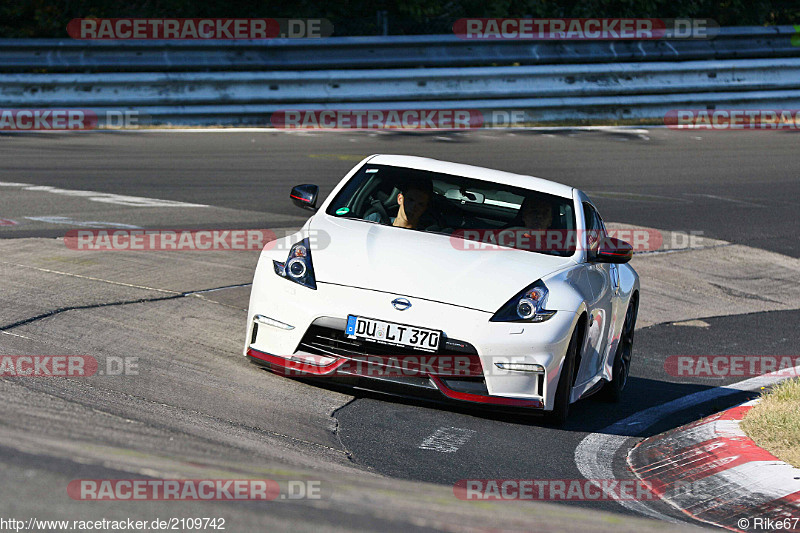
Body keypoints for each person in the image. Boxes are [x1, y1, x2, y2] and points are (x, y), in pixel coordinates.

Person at [365, 178, 432, 229]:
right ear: (400, 199)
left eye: (420, 204)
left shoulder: (427, 237)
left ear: (425, 208)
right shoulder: (375, 220)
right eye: (410, 200)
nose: (414, 207)